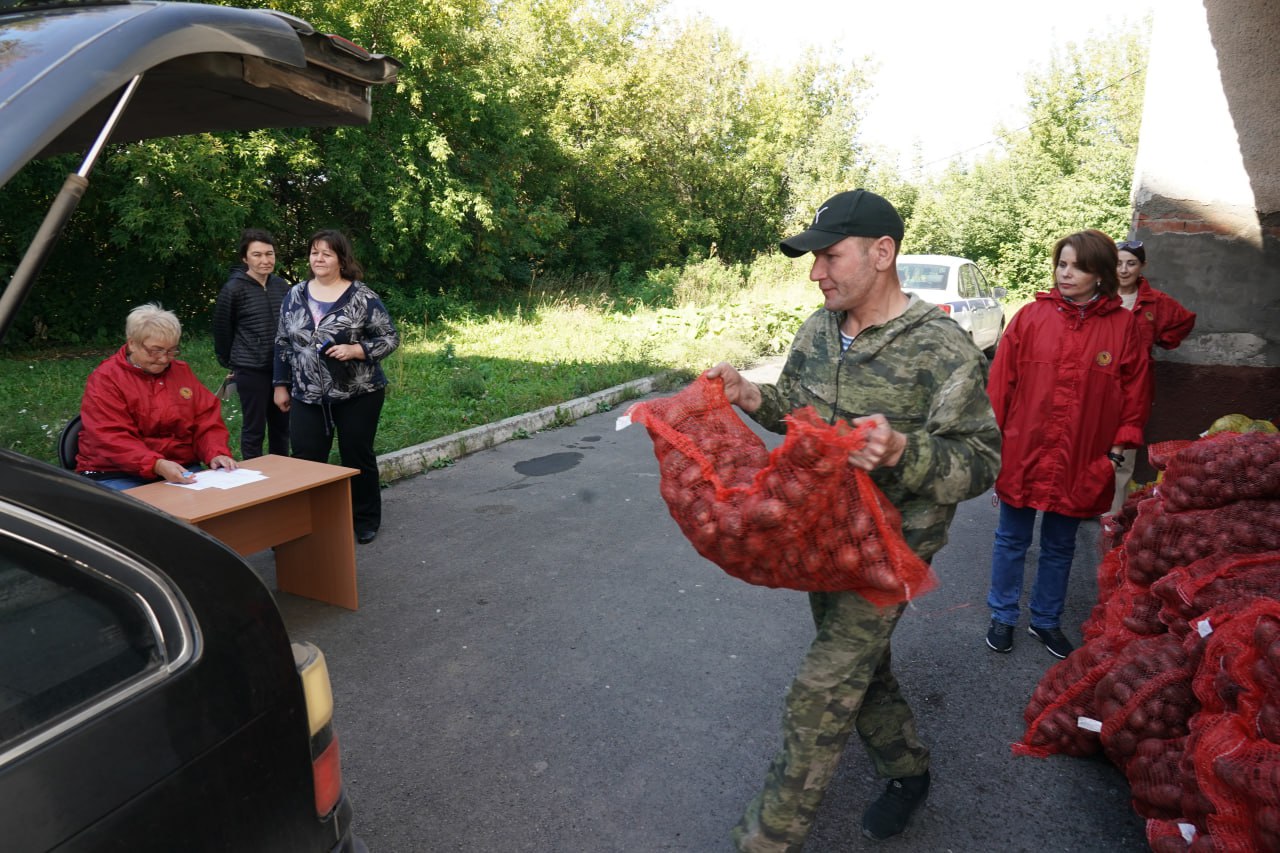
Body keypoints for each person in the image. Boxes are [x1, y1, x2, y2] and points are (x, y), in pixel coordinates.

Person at [707, 189, 1001, 849]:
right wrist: (753, 395)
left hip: (893, 547)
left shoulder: (941, 348)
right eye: (813, 259)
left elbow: (982, 463)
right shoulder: (818, 329)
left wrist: (904, 450)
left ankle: (765, 839)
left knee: (821, 687)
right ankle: (908, 770)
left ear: (882, 252)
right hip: (822, 533)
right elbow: (797, 414)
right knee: (859, 661)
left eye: (828, 256)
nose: (816, 272)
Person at [984, 230, 1151, 660]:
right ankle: (1002, 615)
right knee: (1011, 538)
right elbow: (1000, 385)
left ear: (1099, 274)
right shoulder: (1030, 318)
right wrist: (990, 445)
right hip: (1025, 447)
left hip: (1082, 454)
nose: (1066, 273)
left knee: (1061, 544)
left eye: (1077, 266)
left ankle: (1045, 620)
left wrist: (1118, 447)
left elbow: (1135, 392)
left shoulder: (1123, 327)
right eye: (1062, 263)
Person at [273, 229, 399, 545]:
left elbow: (389, 337)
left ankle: (364, 520)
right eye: (314, 252)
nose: (319, 258)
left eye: (326, 253)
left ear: (341, 259)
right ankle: (306, 524)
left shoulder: (362, 297)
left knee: (356, 456)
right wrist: (280, 385)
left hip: (359, 392)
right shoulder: (295, 294)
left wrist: (358, 350)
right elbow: (282, 342)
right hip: (307, 393)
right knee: (305, 459)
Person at [76, 303, 237, 490]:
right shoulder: (106, 379)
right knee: (146, 515)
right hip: (114, 471)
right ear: (132, 343)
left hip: (176, 467)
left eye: (171, 351)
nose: (164, 358)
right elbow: (111, 437)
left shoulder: (181, 372)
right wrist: (156, 464)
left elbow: (206, 420)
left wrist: (216, 453)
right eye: (155, 350)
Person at [1108, 238, 1196, 513]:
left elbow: (1184, 320)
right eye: (1118, 263)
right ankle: (1081, 504)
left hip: (1135, 384)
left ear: (1142, 266)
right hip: (1098, 378)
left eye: (1131, 263)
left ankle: (1111, 513)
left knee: (1126, 447)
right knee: (1089, 442)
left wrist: (1164, 339)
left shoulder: (1155, 301)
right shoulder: (1101, 297)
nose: (1123, 270)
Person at [213, 228, 292, 458]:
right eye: (257, 255)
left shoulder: (281, 286)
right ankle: (255, 481)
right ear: (245, 258)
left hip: (282, 368)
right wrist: (233, 361)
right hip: (250, 369)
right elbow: (222, 329)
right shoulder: (233, 289)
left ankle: (283, 479)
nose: (265, 260)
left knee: (281, 428)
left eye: (269, 254)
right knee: (254, 429)